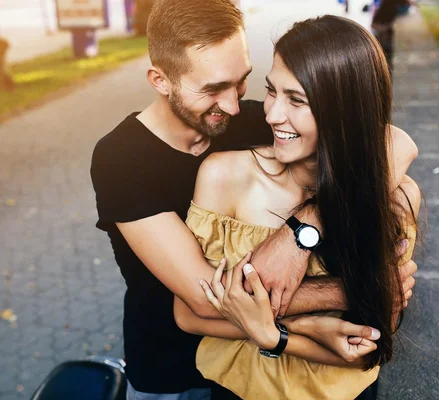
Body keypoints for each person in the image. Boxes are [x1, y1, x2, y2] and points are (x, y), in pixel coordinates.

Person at [90, 1, 419, 398]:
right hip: (174, 364)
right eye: (212, 88)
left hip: (270, 366)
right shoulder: (121, 159)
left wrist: (306, 226)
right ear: (160, 80)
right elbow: (206, 299)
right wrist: (356, 290)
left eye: (241, 81)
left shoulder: (248, 120)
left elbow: (391, 141)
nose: (232, 104)